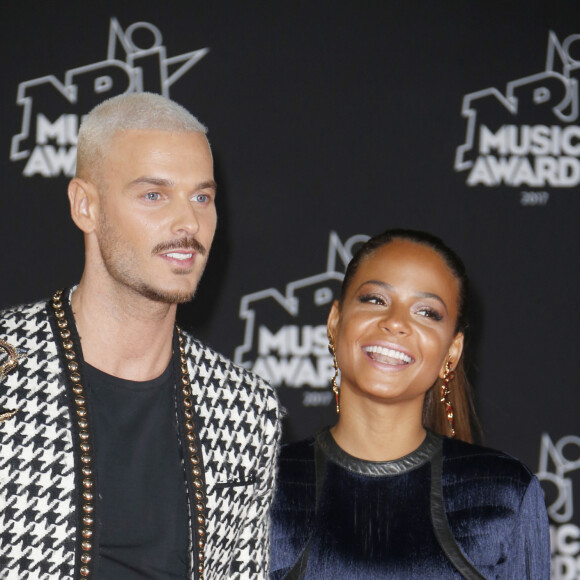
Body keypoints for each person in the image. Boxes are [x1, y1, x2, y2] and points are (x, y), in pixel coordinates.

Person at [0, 92, 280, 579]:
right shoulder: (7, 371)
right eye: (154, 195)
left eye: (202, 197)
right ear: (85, 205)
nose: (188, 223)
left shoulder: (246, 409)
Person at [269, 229, 550, 579]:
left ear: (452, 351)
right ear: (334, 323)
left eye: (427, 312)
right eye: (375, 300)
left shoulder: (504, 494)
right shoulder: (264, 487)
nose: (396, 323)